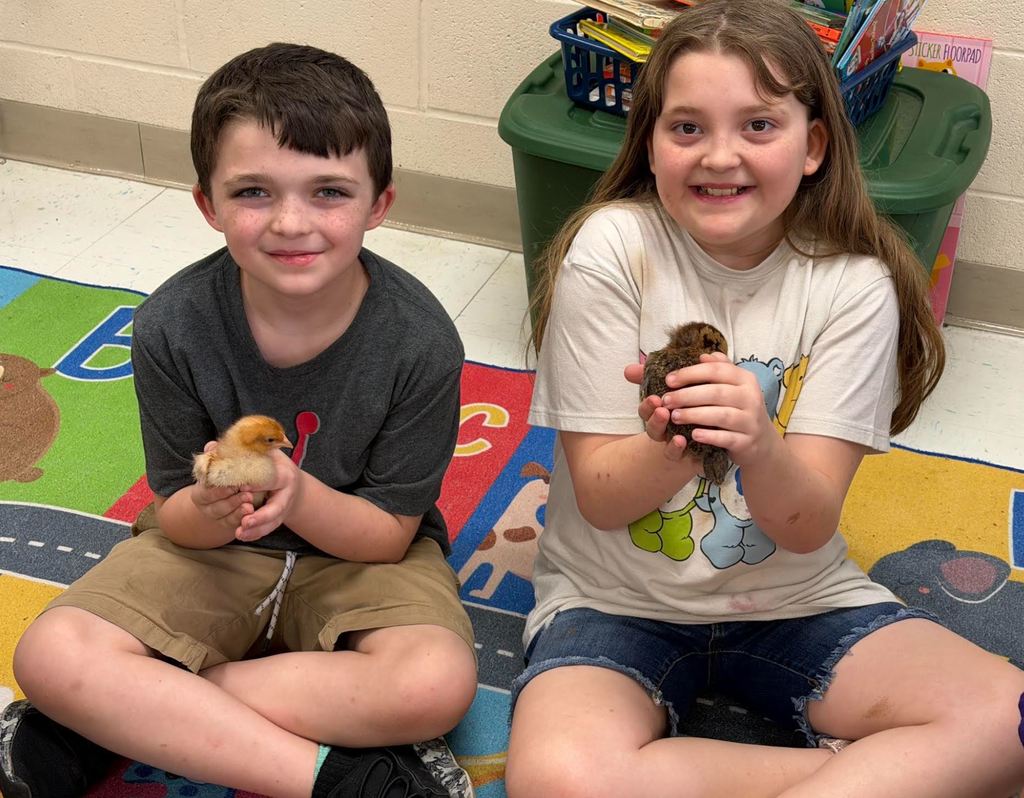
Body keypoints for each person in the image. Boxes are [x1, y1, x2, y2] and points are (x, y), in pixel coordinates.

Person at [504, 1, 1024, 797]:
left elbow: (807, 521)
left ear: (812, 144)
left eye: (758, 125)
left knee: (1008, 717)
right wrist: (671, 441)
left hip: (798, 597)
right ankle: (864, 778)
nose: (721, 156)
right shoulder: (611, 247)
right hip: (610, 601)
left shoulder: (855, 285)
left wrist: (758, 442)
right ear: (649, 142)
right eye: (687, 128)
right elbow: (603, 498)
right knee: (555, 775)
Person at [0, 43, 477, 798]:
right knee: (51, 654)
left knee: (435, 685)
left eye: (329, 192)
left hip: (361, 556)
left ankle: (124, 712)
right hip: (209, 554)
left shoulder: (421, 341)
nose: (292, 222)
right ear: (207, 204)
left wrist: (297, 495)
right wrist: (214, 507)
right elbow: (175, 519)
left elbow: (388, 534)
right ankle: (335, 780)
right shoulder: (170, 326)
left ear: (380, 204)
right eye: (253, 192)